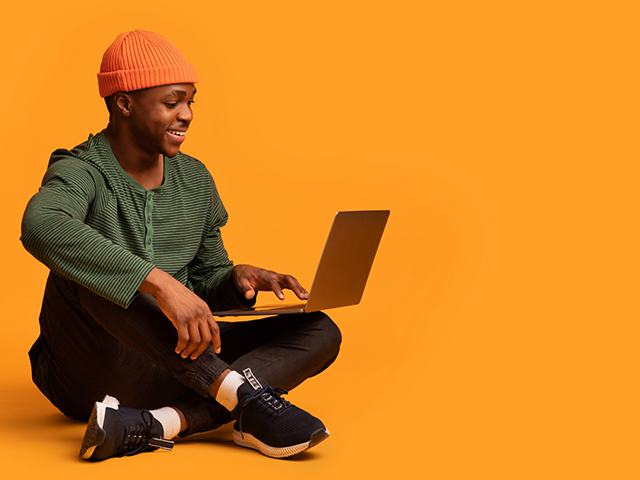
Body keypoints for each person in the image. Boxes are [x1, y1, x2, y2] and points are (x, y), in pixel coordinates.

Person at [21, 29, 341, 461]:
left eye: (191, 101)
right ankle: (243, 399)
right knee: (85, 275)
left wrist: (235, 280)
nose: (187, 114)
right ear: (125, 103)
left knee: (320, 329)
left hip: (181, 365)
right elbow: (41, 224)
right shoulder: (82, 170)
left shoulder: (195, 179)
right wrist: (157, 282)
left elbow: (205, 285)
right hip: (91, 372)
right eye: (172, 102)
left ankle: (157, 423)